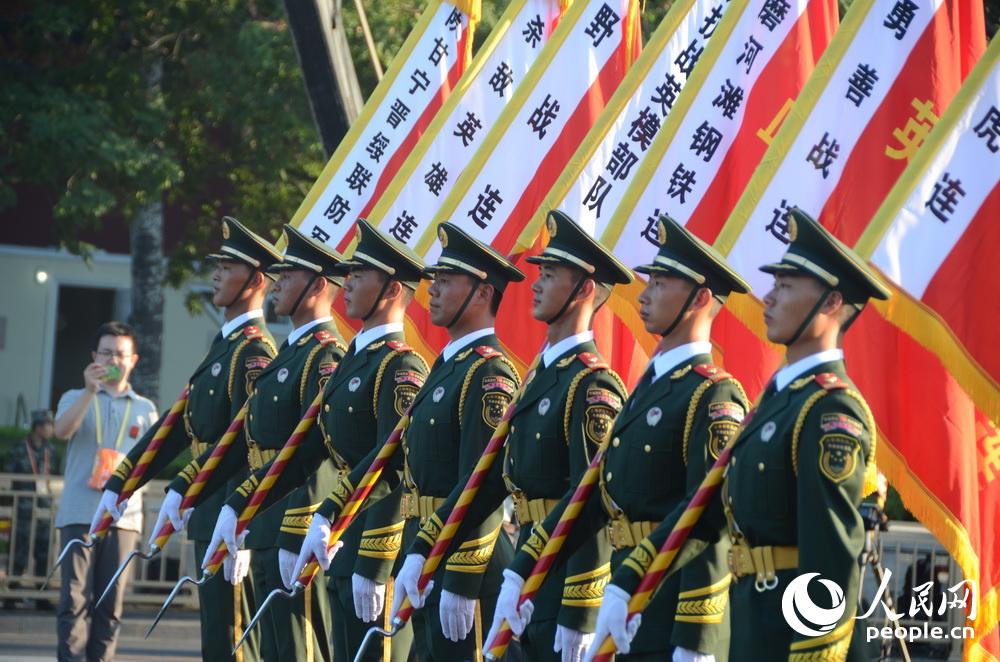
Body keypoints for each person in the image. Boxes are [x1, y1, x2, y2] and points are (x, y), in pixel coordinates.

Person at [590, 209, 889, 661]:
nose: (768, 299)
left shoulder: (831, 409)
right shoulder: (779, 400)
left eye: (786, 287)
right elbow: (704, 511)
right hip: (752, 623)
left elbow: (831, 558)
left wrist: (814, 655)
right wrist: (629, 578)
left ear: (830, 304)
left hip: (791, 635)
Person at [347, 210, 633, 662]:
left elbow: (591, 502)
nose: (536, 284)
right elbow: (484, 479)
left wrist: (581, 607)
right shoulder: (534, 375)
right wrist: (422, 550)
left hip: (549, 578)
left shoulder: (585, 383)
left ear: (583, 291)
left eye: (551, 275)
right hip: (516, 568)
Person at [495, 216, 752, 661]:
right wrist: (521, 572)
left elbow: (710, 523)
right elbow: (589, 498)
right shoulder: (647, 390)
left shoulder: (713, 395)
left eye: (661, 283)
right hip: (629, 604)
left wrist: (697, 638)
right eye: (648, 280)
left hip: (671, 615)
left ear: (701, 297)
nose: (645, 293)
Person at [298, 222, 527, 661]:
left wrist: (461, 577)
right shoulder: (446, 367)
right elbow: (390, 460)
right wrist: (329, 512)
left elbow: (481, 487)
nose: (433, 290)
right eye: (434, 279)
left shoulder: (489, 374)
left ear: (481, 294)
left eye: (446, 281)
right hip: (423, 549)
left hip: (465, 563)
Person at [221, 219, 431, 661]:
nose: (347, 283)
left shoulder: (400, 367)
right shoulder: (356, 360)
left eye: (359, 275)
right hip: (340, 544)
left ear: (392, 291)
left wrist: (374, 559)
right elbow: (308, 450)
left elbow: (395, 468)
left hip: (377, 549)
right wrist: (239, 502)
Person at [93, 216, 280, 661]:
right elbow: (176, 428)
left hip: (231, 518)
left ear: (255, 280)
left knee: (233, 644)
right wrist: (122, 482)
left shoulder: (255, 353)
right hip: (209, 511)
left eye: (227, 266)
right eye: (216, 264)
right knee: (216, 642)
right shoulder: (225, 346)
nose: (214, 273)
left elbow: (250, 450)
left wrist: (243, 522)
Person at [173, 222, 349, 662]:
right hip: (262, 521)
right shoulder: (289, 352)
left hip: (293, 526)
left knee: (295, 649)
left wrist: (293, 525)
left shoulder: (322, 355)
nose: (277, 281)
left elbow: (315, 451)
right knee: (267, 648)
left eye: (288, 275)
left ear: (318, 285)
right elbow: (245, 442)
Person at [53, 321, 158, 662]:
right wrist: (88, 390)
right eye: (106, 352)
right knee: (73, 599)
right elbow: (61, 432)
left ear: (134, 360)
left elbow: (153, 461)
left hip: (123, 518)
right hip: (79, 513)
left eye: (120, 353)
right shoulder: (74, 396)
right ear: (93, 357)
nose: (113, 359)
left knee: (110, 605)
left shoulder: (145, 409)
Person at [6, 409, 58, 592]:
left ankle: (41, 591)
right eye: (47, 425)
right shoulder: (20, 447)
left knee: (44, 549)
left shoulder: (50, 450)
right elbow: (9, 475)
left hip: (44, 508)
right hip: (23, 506)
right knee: (19, 549)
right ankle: (12, 589)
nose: (51, 429)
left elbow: (56, 476)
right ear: (37, 427)